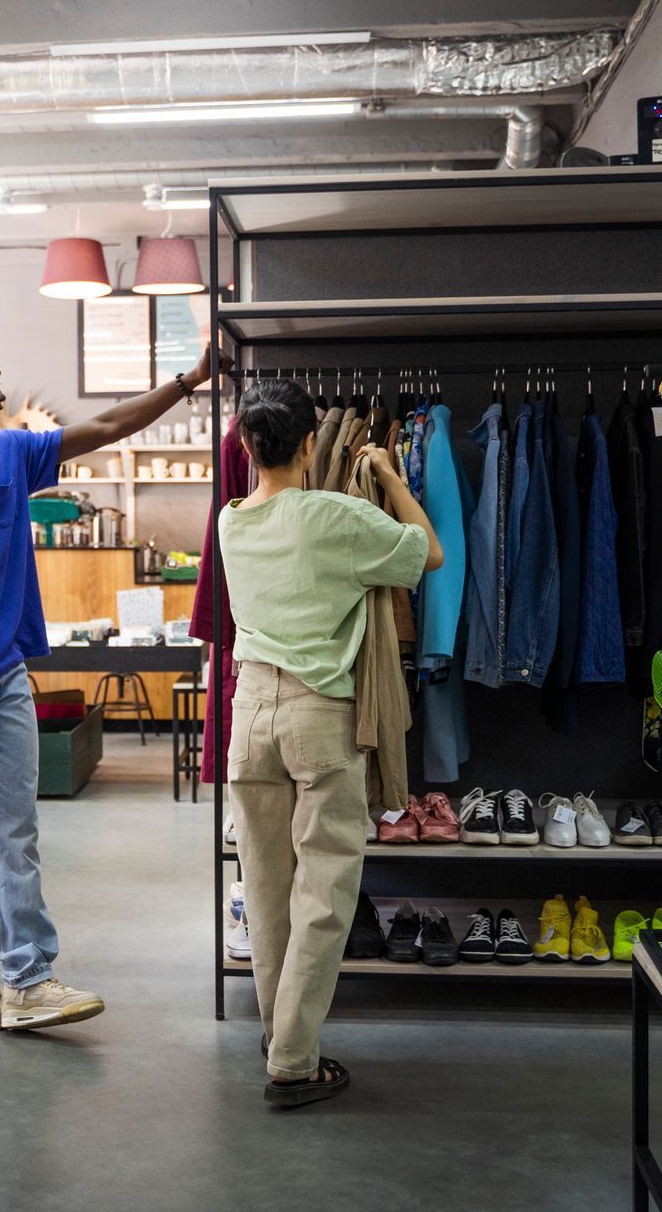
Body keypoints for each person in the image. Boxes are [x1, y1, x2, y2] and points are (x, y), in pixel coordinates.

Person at [0, 333, 213, 1032]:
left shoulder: (10, 454)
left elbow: (112, 425)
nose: (1, 394)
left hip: (5, 678)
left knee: (18, 831)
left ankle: (27, 977)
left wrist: (190, 381)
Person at [214, 378, 440, 1107]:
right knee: (324, 893)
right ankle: (293, 1060)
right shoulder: (336, 516)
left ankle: (282, 1035)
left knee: (268, 888)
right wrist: (391, 477)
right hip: (318, 718)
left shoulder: (230, 522)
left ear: (247, 446)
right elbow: (426, 554)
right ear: (311, 443)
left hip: (249, 716)